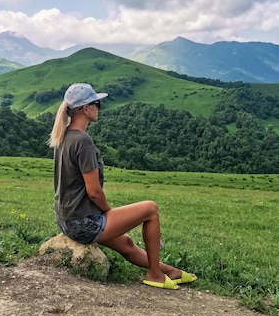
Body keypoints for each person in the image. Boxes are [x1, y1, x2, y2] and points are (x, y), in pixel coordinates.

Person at [48, 83, 196, 290]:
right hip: (83, 223)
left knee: (126, 243)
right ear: (85, 109)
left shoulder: (63, 136)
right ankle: (155, 274)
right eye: (97, 103)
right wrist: (109, 213)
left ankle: (169, 270)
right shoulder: (83, 141)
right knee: (150, 208)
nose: (99, 108)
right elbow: (94, 191)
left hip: (66, 220)